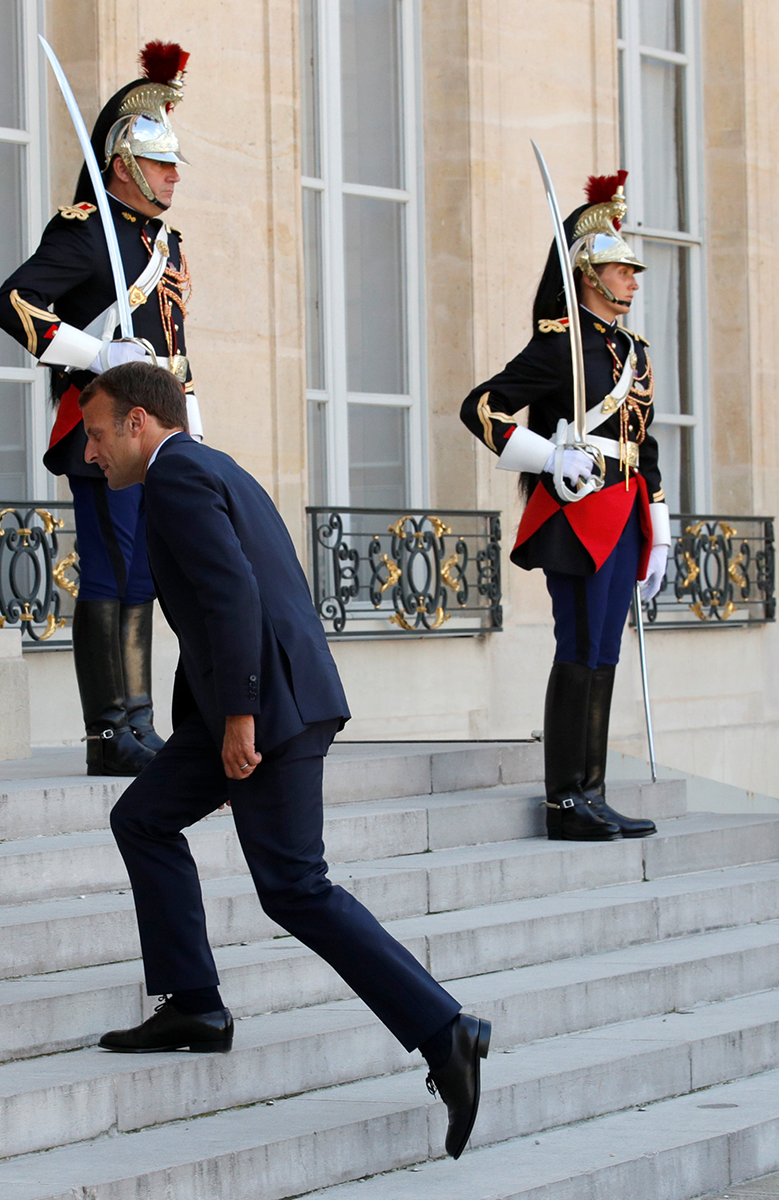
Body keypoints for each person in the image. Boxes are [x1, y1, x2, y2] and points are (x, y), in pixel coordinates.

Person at [81, 361, 490, 1162]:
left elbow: (233, 594)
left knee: (295, 888)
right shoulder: (209, 465)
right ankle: (193, 1003)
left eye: (95, 434)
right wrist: (208, 727)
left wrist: (238, 720)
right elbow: (219, 607)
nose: (90, 453)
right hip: (263, 696)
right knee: (143, 815)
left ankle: (446, 1032)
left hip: (268, 705)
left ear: (137, 422)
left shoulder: (176, 478)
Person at [0, 42, 200, 777]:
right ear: (123, 164)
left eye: (175, 162)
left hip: (161, 431)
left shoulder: (162, 243)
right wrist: (96, 353)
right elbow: (13, 303)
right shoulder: (87, 230)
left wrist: (189, 421)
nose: (174, 174)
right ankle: (109, 732)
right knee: (112, 571)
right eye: (161, 160)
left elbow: (172, 347)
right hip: (105, 428)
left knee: (145, 574)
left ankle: (139, 721)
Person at [460, 171, 670, 842]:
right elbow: (481, 406)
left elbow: (646, 442)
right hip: (578, 516)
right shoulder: (561, 345)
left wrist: (660, 532)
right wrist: (549, 458)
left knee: (604, 652)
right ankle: (564, 801)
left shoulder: (631, 351)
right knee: (578, 648)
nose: (634, 279)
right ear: (588, 274)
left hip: (625, 511)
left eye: (634, 269)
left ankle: (593, 792)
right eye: (620, 268)